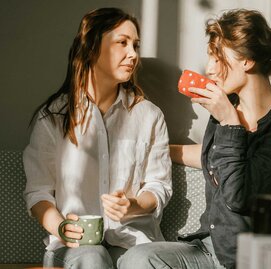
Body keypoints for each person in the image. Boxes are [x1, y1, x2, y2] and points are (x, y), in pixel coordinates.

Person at [118, 8, 271, 269]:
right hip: (210, 247)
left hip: (256, 257)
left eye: (216, 58)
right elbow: (211, 155)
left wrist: (229, 122)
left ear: (246, 61)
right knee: (138, 259)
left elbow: (239, 197)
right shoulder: (227, 108)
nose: (209, 69)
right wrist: (154, 149)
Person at [23, 7, 172, 269]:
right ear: (92, 48)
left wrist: (134, 205)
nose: (133, 55)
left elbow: (159, 186)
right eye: (122, 43)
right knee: (92, 258)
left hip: (133, 242)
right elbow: (38, 192)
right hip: (74, 250)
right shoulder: (53, 118)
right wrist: (61, 227)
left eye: (136, 45)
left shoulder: (149, 116)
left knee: (142, 262)